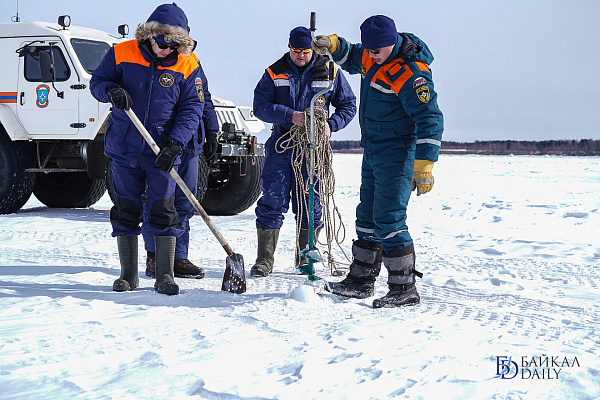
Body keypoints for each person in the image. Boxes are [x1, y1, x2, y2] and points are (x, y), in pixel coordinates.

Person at [313, 15, 444, 308]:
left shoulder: (410, 72)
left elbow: (430, 118)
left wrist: (425, 164)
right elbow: (352, 55)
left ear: (392, 42)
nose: (372, 56)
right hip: (373, 149)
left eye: (377, 50)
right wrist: (333, 44)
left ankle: (404, 288)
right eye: (370, 50)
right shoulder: (372, 56)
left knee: (389, 218)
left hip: (397, 153)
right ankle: (361, 281)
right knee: (368, 216)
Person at [90, 3, 208, 295]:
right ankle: (128, 275)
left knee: (163, 210)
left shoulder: (187, 64)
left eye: (172, 46)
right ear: (149, 36)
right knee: (126, 210)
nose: (165, 51)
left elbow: (192, 109)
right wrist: (110, 91)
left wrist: (176, 143)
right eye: (160, 43)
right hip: (125, 148)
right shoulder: (122, 53)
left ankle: (164, 274)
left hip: (162, 151)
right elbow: (97, 82)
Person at [251, 26, 356, 277]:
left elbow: (348, 105)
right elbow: (260, 106)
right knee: (272, 201)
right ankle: (264, 260)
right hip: (281, 144)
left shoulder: (330, 71)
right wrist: (290, 116)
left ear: (312, 49)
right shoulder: (274, 72)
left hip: (314, 149)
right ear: (289, 48)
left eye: (306, 51)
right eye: (296, 50)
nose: (301, 55)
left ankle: (305, 259)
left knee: (310, 203)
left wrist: (331, 125)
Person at [142, 109, 219, 280]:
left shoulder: (196, 86)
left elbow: (204, 101)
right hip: (163, 142)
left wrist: (212, 131)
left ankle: (179, 257)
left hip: (190, 143)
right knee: (158, 200)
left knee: (185, 202)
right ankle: (155, 256)